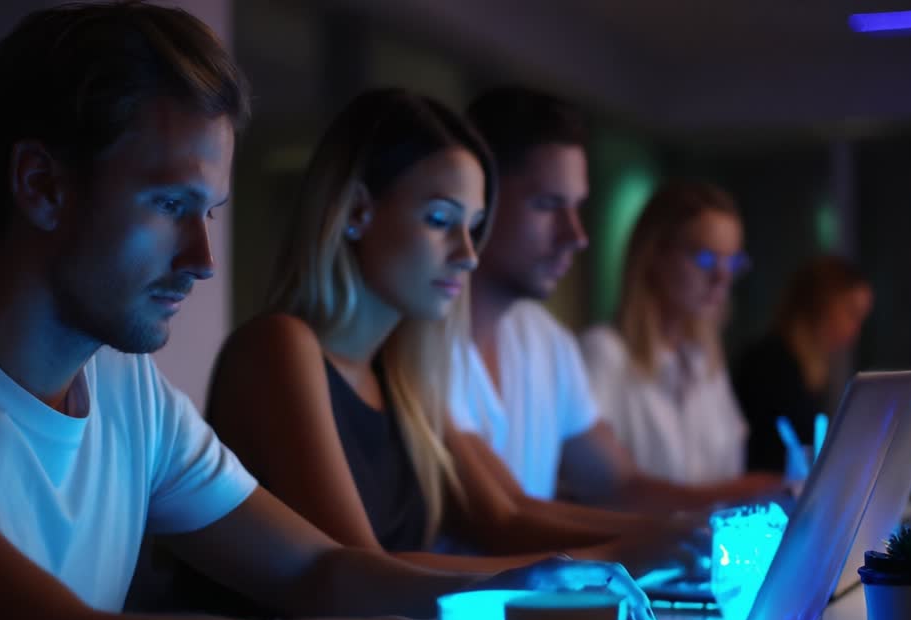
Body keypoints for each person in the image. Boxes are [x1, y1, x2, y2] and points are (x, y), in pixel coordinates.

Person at [0, 6, 653, 620]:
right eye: (173, 205)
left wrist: (527, 586)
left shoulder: (128, 389)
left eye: (209, 210)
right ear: (41, 185)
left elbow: (315, 570)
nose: (205, 257)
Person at [205, 88, 694, 580]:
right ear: (357, 212)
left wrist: (667, 538)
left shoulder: (401, 371)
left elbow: (505, 516)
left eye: (474, 226)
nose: (468, 254)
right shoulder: (279, 347)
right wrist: (611, 559)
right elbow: (356, 575)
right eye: (440, 220)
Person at [452, 86, 776, 511]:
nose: (577, 236)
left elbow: (619, 484)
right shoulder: (423, 343)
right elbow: (508, 520)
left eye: (577, 207)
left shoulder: (549, 342)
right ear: (480, 199)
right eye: (548, 204)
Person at [580, 180, 758, 487]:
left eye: (732, 261)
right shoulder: (604, 353)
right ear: (654, 255)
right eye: (705, 258)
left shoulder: (707, 365)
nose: (722, 277)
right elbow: (597, 489)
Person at [734, 254, 874, 473]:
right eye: (852, 314)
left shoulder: (811, 368)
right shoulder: (768, 364)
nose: (856, 330)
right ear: (821, 304)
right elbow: (768, 462)